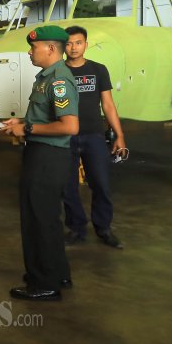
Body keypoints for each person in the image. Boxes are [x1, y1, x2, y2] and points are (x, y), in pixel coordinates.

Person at [1, 26, 78, 301]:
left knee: (38, 219)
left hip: (47, 156)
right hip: (45, 154)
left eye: (34, 48)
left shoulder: (58, 80)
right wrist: (23, 121)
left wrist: (27, 129)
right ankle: (57, 273)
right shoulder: (48, 77)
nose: (30, 52)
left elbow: (69, 125)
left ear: (51, 49)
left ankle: (44, 283)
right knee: (47, 218)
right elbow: (47, 116)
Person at [62, 26, 124, 249]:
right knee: (67, 187)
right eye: (69, 43)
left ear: (86, 45)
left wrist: (119, 135)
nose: (73, 48)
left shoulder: (98, 70)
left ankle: (104, 228)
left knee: (101, 184)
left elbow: (108, 104)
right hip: (64, 137)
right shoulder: (57, 72)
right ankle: (76, 228)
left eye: (78, 43)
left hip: (94, 135)